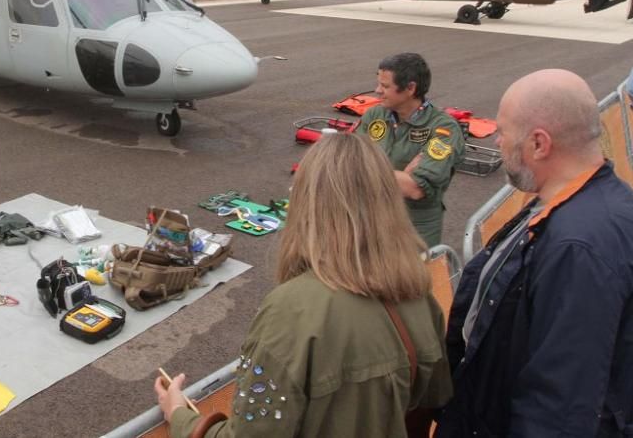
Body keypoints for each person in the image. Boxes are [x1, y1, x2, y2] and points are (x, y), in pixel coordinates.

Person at [156, 133, 452, 437]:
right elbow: (435, 400)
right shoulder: (419, 293)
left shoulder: (291, 311)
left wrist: (180, 417)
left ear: (307, 205)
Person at [437, 69, 633, 436]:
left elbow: (560, 406)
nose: (496, 140)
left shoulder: (578, 248)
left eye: (504, 132)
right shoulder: (571, 204)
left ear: (540, 144)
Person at [356, 53, 465, 247]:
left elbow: (415, 189)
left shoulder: (443, 128)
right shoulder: (375, 115)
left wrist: (366, 173)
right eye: (379, 84)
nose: (377, 91)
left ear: (410, 88)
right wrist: (401, 177)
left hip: (412, 232)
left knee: (406, 278)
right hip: (371, 221)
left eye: (385, 86)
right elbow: (350, 164)